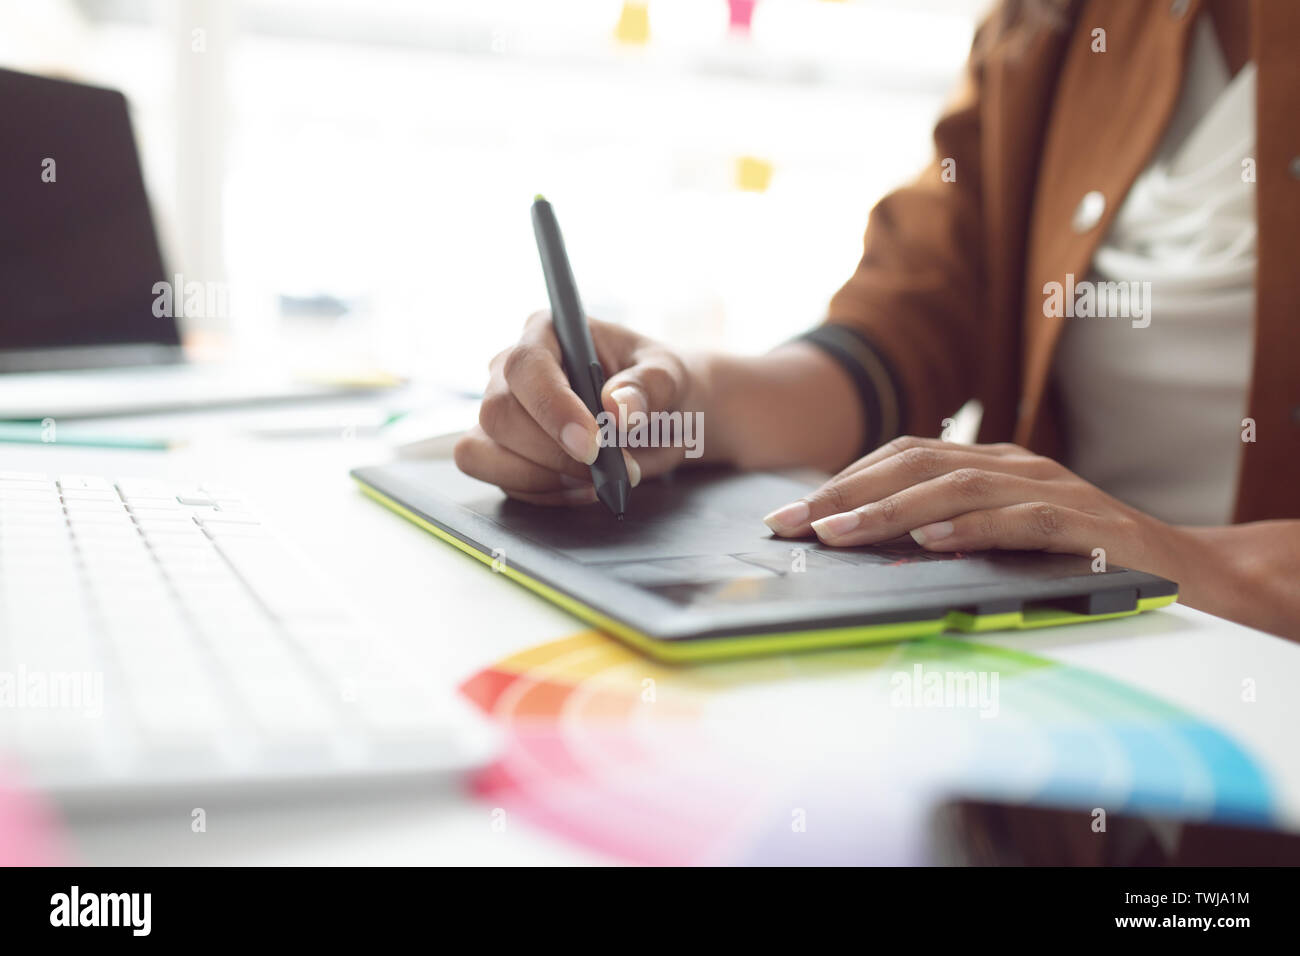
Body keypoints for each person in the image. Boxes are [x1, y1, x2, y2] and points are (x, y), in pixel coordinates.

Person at [455, 0, 1299, 639]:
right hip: (1089, 667)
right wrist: (683, 399)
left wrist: (1190, 562)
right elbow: (910, 321)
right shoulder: (1056, 23)